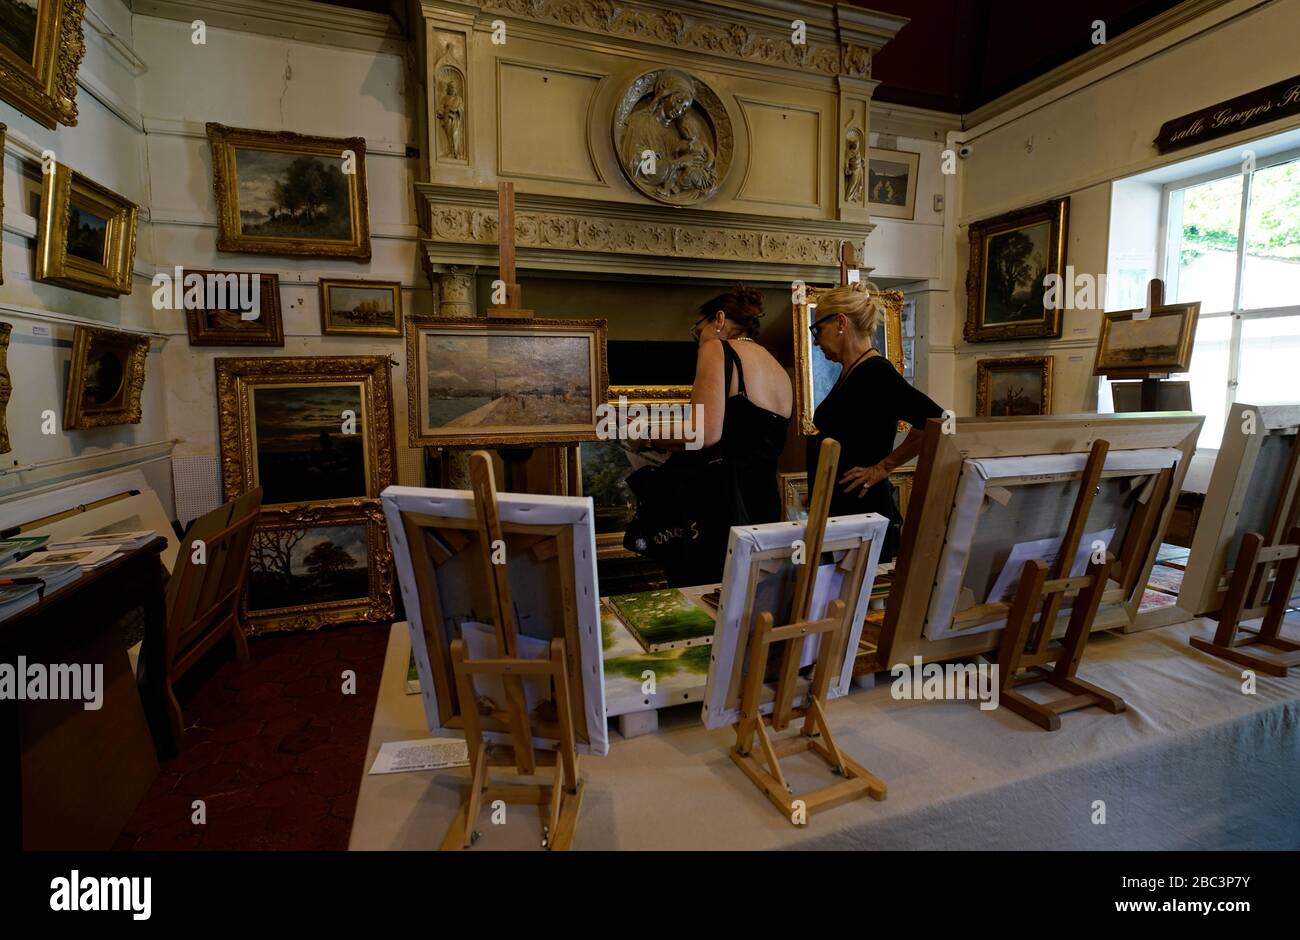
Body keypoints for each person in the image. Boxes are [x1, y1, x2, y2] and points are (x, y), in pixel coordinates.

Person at [652, 286, 792, 587]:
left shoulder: (718, 349)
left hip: (724, 505)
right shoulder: (776, 365)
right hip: (764, 503)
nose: (697, 337)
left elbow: (704, 432)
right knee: (749, 600)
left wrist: (644, 433)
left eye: (697, 329)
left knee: (709, 604)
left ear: (718, 320)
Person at [805, 283, 943, 561]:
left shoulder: (875, 373)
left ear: (841, 322)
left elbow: (936, 420)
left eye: (817, 329)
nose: (816, 340)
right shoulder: (851, 371)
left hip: (861, 511)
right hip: (842, 509)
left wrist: (883, 467)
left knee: (853, 602)